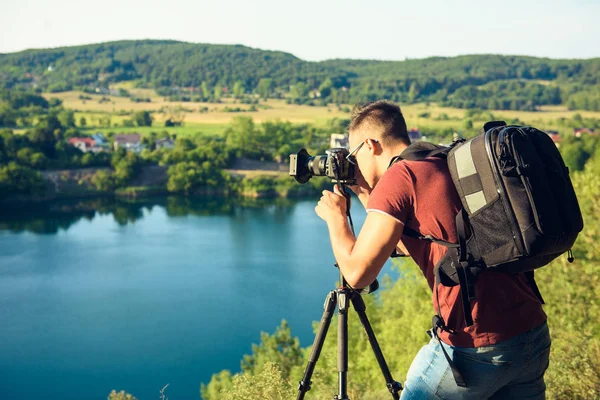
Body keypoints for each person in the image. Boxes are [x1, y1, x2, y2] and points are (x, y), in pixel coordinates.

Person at [314, 100, 551, 399]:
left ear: (371, 145)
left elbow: (358, 274)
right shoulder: (439, 159)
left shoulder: (400, 177)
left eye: (353, 154)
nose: (353, 163)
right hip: (531, 337)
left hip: (475, 349)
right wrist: (364, 194)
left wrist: (336, 219)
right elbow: (405, 243)